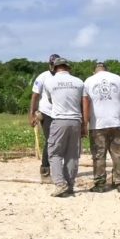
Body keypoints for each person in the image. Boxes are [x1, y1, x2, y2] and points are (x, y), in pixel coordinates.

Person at [83, 62, 120, 193]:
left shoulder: (89, 81)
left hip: (97, 123)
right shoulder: (118, 78)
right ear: (107, 69)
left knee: (99, 154)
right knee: (119, 153)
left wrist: (85, 121)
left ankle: (100, 184)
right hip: (118, 122)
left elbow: (85, 102)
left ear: (94, 71)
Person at [43, 57, 85, 197]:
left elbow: (50, 100)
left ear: (54, 68)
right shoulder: (79, 82)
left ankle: (60, 184)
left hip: (59, 120)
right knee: (72, 155)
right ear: (68, 67)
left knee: (54, 153)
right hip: (76, 121)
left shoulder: (49, 82)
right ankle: (70, 185)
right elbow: (82, 102)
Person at [29, 53, 60, 181]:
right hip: (46, 113)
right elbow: (35, 96)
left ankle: (59, 169)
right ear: (49, 64)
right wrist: (32, 113)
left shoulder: (63, 77)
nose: (54, 67)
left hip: (60, 113)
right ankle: (45, 169)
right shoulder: (43, 77)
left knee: (59, 141)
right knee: (50, 140)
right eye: (52, 64)